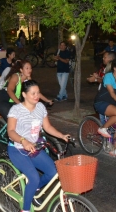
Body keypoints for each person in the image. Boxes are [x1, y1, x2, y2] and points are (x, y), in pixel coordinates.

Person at [7, 80, 70, 212]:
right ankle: (25, 210)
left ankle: (34, 188)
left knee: (53, 172)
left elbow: (47, 127)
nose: (37, 96)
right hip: (17, 149)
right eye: (33, 93)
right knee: (34, 177)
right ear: (24, 94)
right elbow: (11, 131)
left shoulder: (40, 107)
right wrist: (23, 141)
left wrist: (61, 136)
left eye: (38, 93)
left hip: (34, 148)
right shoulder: (16, 110)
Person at [87, 51, 116, 124]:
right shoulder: (110, 68)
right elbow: (106, 80)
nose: (103, 59)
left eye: (105, 57)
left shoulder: (111, 68)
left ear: (111, 58)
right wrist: (98, 77)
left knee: (105, 120)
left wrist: (96, 79)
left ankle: (104, 132)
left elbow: (106, 82)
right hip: (108, 96)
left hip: (106, 96)